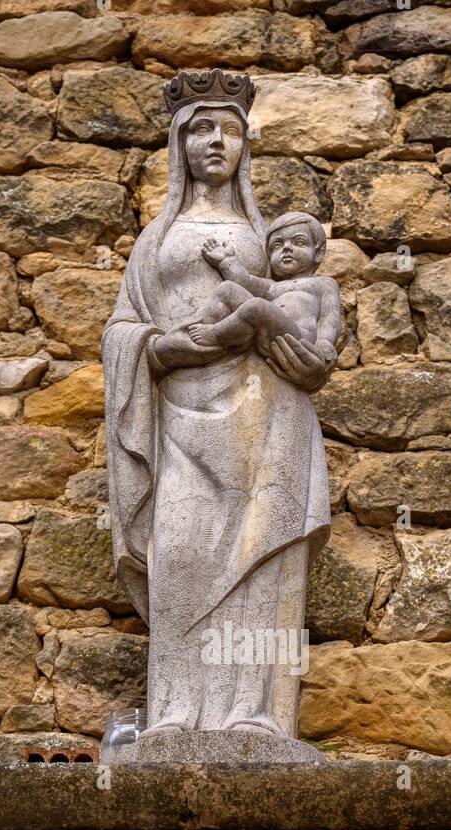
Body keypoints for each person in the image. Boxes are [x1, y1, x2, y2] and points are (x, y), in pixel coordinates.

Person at [101, 69, 337, 744]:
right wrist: (158, 346)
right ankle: (175, 709)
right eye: (201, 128)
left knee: (257, 558)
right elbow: (121, 327)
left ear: (244, 145)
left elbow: (300, 311)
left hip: (265, 414)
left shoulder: (265, 237)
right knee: (179, 552)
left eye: (229, 130)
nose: (216, 141)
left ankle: (252, 713)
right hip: (177, 410)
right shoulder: (155, 240)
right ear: (179, 141)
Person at [186, 212, 342, 362]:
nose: (286, 248)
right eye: (277, 245)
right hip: (265, 334)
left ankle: (216, 335)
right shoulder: (271, 287)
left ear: (319, 253)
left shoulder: (323, 283)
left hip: (297, 339)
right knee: (228, 288)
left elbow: (330, 317)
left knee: (257, 306)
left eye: (299, 242)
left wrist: (325, 342)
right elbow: (244, 281)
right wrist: (226, 261)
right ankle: (187, 328)